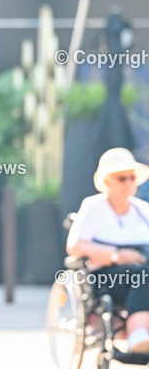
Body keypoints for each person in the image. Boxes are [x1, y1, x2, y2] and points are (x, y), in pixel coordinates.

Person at [66, 147, 149, 354]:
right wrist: (117, 256)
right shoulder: (94, 207)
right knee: (143, 276)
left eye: (132, 178)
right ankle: (137, 334)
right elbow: (75, 246)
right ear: (108, 181)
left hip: (142, 268)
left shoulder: (143, 210)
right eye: (122, 178)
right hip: (107, 277)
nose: (128, 183)